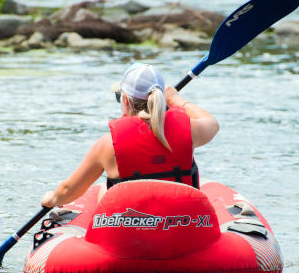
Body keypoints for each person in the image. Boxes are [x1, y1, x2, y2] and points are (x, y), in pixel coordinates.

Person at [41, 62, 219, 209]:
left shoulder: (107, 145)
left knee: (105, 190)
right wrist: (178, 100)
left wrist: (50, 199)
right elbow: (212, 123)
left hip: (129, 238)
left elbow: (67, 191)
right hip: (184, 229)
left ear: (125, 100)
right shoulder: (190, 131)